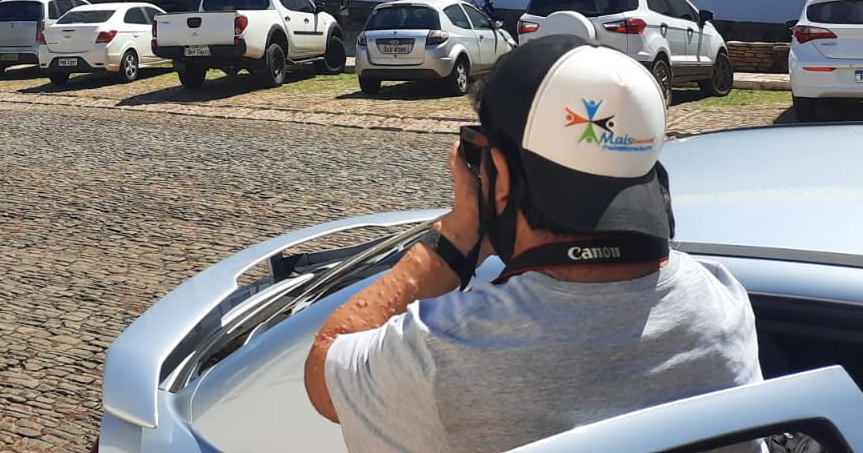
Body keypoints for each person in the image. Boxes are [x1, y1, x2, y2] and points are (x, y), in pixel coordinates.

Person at [304, 35, 761, 453]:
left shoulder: (441, 349)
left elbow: (325, 368)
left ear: (497, 175)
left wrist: (457, 237)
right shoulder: (723, 306)